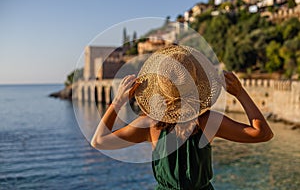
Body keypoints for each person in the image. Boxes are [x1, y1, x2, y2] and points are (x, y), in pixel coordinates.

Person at [91, 45, 274, 190]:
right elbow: (263, 133)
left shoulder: (150, 125)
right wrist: (240, 93)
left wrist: (117, 102)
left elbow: (99, 141)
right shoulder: (207, 122)